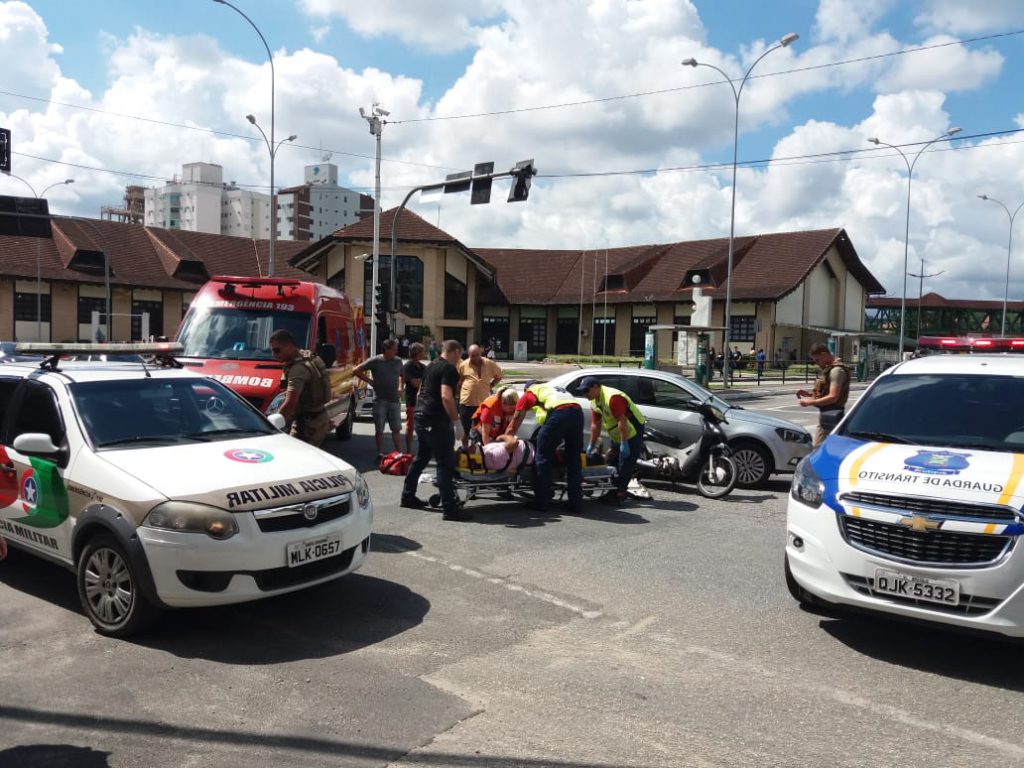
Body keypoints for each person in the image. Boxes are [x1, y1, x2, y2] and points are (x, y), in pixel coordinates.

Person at [401, 340, 471, 521]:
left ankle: (407, 496)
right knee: (444, 463)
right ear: (456, 352)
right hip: (436, 420)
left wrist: (421, 413)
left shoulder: (430, 366)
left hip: (421, 416)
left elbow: (419, 393)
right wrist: (457, 422)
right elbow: (446, 396)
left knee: (421, 458)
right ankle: (449, 508)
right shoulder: (448, 369)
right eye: (460, 355)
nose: (460, 360)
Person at [505, 380, 584, 515]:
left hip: (560, 414)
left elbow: (517, 417)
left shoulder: (530, 393)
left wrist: (507, 437)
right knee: (574, 460)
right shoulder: (553, 389)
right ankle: (575, 503)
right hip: (577, 413)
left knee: (542, 457)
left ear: (527, 389)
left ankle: (542, 501)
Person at [578, 376, 646, 505]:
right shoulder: (595, 401)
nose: (584, 394)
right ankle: (613, 490)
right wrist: (591, 444)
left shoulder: (613, 398)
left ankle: (619, 493)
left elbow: (622, 422)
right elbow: (595, 424)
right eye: (582, 391)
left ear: (596, 387)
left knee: (626, 462)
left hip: (632, 430)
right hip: (618, 432)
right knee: (613, 460)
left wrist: (624, 443)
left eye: (586, 390)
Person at [270, 329, 332, 446]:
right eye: (272, 350)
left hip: (309, 425)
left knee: (295, 458)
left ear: (289, 346)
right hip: (317, 418)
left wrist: (272, 425)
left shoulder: (298, 369)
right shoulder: (307, 356)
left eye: (277, 350)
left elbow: (290, 403)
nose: (274, 354)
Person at [354, 338, 403, 460]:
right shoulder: (375, 360)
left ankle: (399, 452)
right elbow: (356, 370)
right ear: (386, 349)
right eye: (393, 349)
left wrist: (401, 386)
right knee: (379, 428)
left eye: (396, 349)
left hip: (394, 399)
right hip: (380, 399)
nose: (396, 351)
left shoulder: (398, 361)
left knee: (396, 428)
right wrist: (370, 381)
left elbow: (402, 375)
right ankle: (380, 453)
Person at [798, 342, 851, 447]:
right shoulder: (831, 369)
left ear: (824, 355)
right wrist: (809, 394)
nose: (817, 363)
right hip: (829, 415)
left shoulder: (836, 371)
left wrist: (810, 402)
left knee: (819, 448)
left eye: (817, 360)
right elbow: (827, 391)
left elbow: (833, 397)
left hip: (832, 415)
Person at [457, 344, 502, 448]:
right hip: (466, 403)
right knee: (465, 430)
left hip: (483, 404)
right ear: (469, 355)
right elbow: (458, 382)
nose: (475, 358)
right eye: (472, 355)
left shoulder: (489, 363)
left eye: (477, 355)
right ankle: (465, 450)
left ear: (480, 353)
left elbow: (499, 375)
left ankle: (479, 450)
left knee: (481, 430)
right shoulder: (463, 365)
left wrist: (491, 385)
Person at [401, 342, 426, 453]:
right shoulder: (407, 367)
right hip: (412, 400)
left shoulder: (423, 367)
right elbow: (415, 383)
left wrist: (420, 381)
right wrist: (422, 381)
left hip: (423, 402)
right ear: (418, 353)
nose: (424, 353)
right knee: (410, 426)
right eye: (423, 351)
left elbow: (427, 382)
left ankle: (423, 450)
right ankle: (409, 451)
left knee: (424, 427)